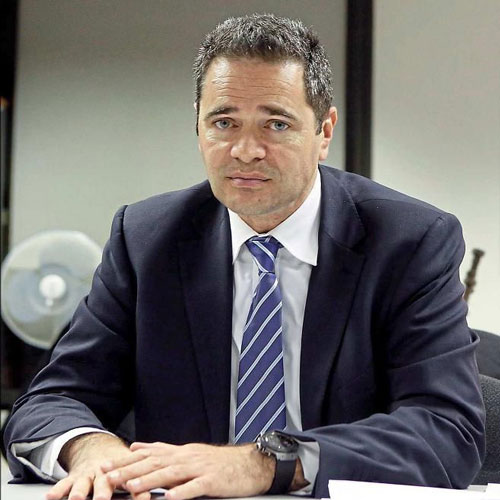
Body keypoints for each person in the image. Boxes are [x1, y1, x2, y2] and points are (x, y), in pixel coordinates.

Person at [4, 13, 484, 500]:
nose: (246, 150)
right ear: (198, 127)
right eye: (224, 122)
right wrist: (91, 450)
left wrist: (263, 464)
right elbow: (51, 399)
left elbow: (446, 430)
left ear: (324, 132)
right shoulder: (146, 240)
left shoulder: (408, 242)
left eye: (276, 124)